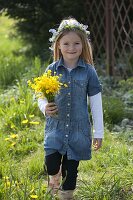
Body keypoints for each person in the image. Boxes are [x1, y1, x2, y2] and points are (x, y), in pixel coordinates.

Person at [38, 17, 104, 200]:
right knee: (51, 164)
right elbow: (40, 95)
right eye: (66, 43)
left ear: (83, 45)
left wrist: (99, 132)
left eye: (76, 43)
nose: (71, 48)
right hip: (55, 129)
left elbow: (96, 102)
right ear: (58, 45)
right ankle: (54, 176)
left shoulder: (89, 71)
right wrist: (44, 107)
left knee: (71, 171)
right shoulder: (52, 69)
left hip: (77, 131)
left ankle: (66, 195)